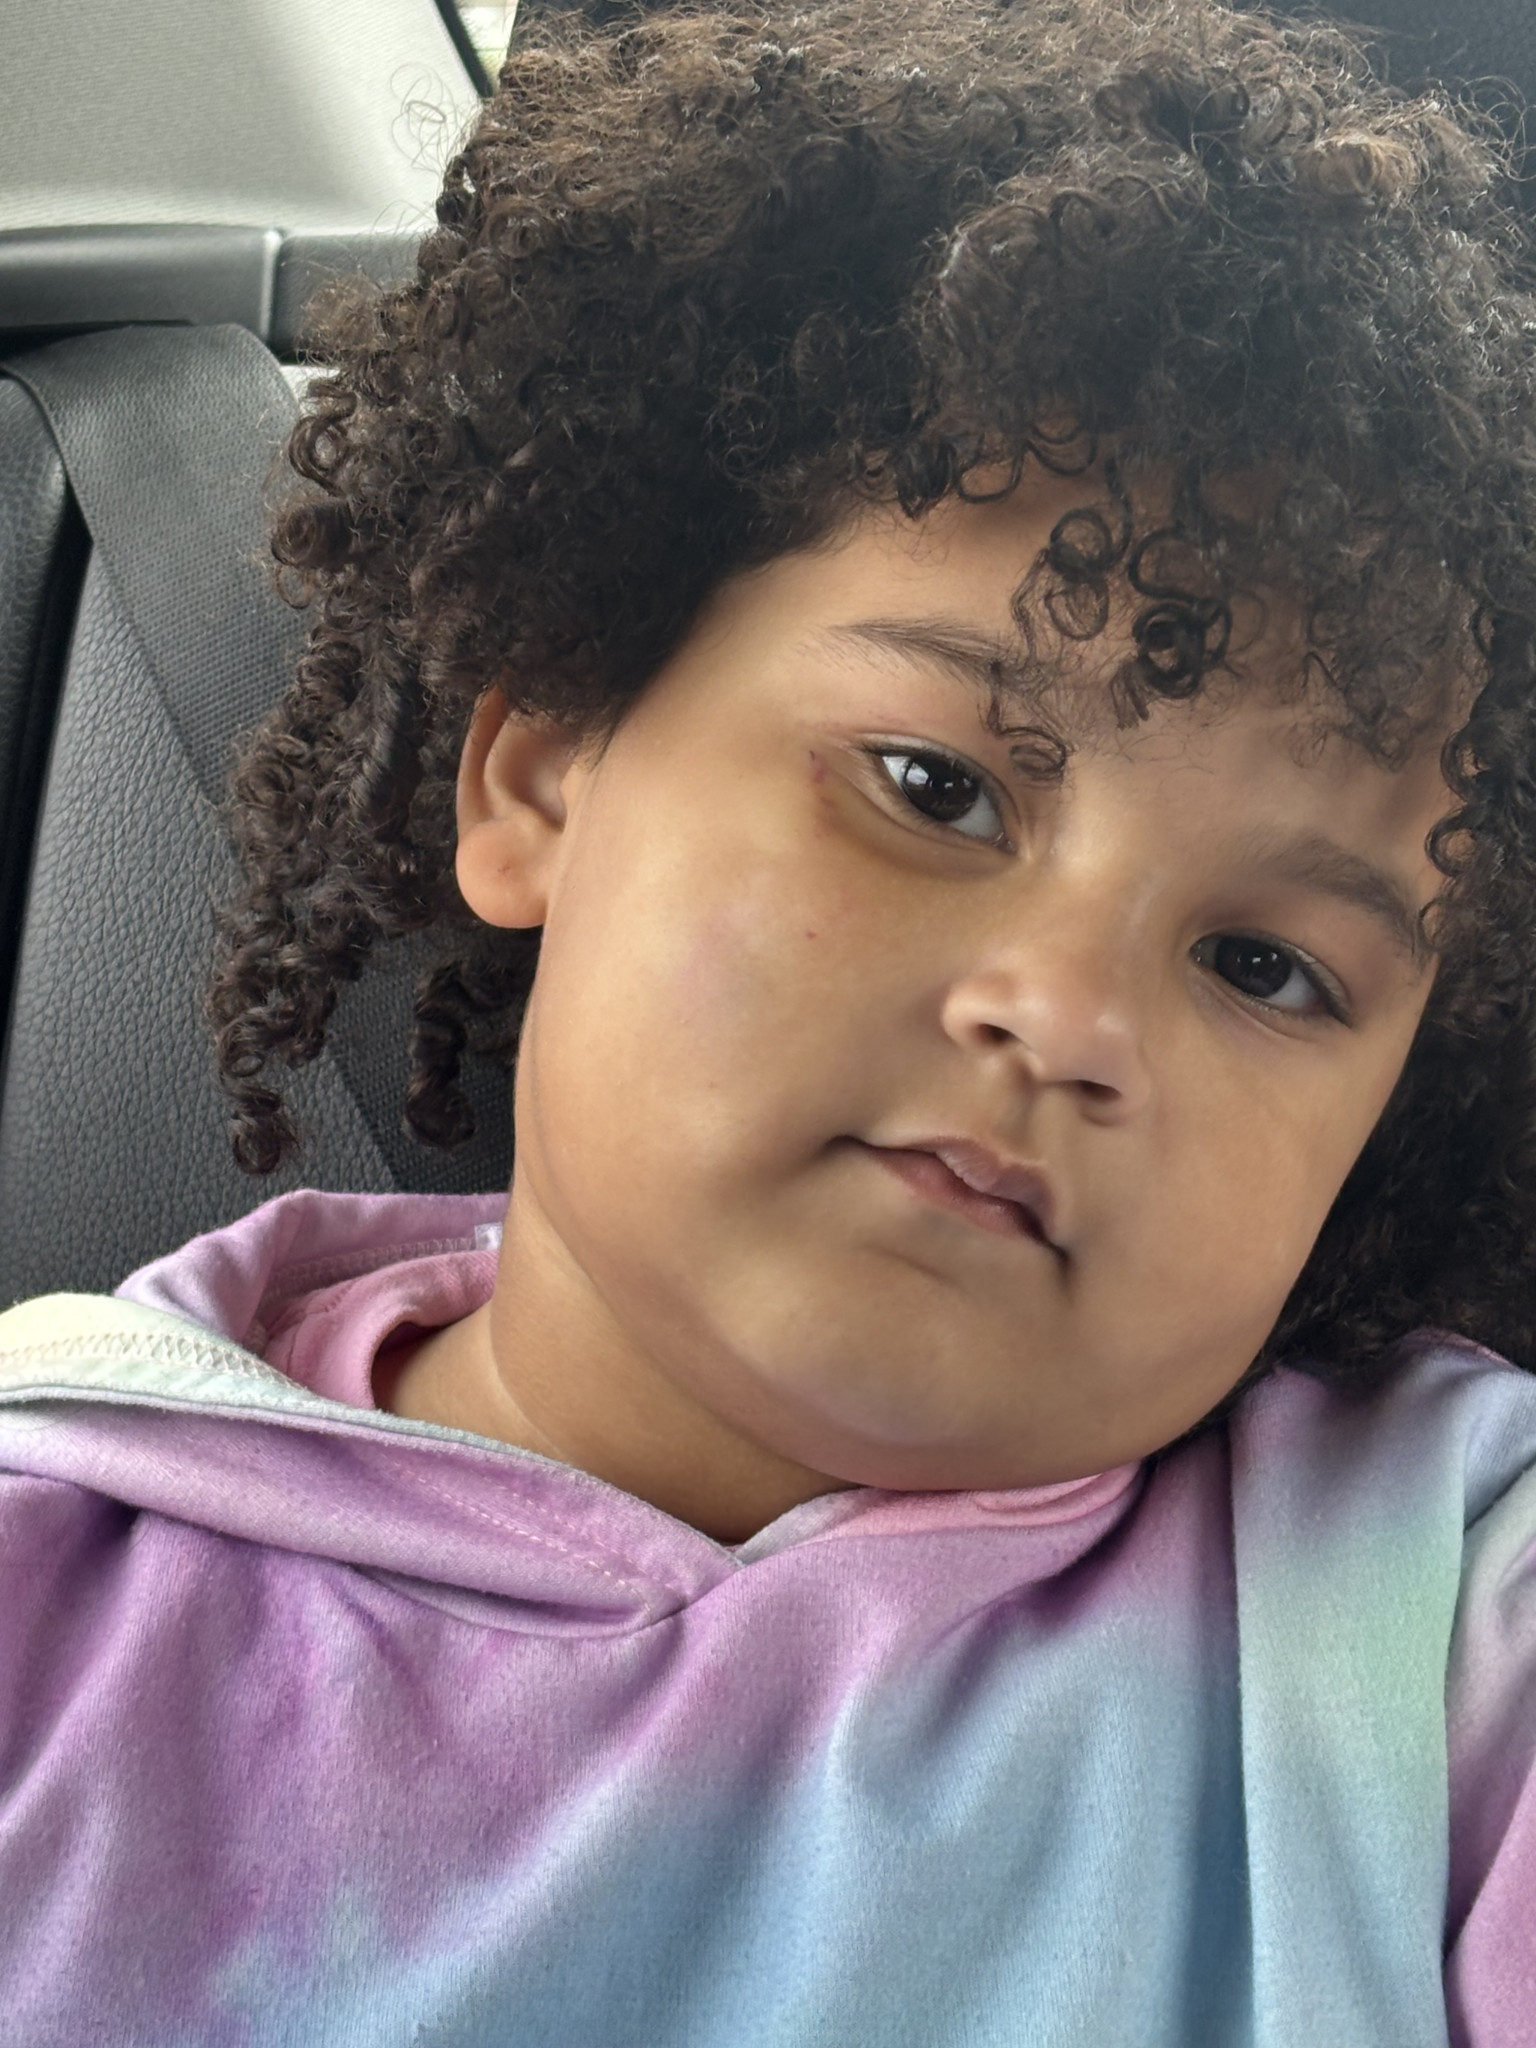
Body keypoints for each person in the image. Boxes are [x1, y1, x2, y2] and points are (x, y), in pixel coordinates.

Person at [3, 0, 1536, 2039]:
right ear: (540, 772)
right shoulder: (50, 1583)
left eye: (1266, 967)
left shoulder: (1437, 1605)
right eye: (934, 788)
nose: (1068, 1017)